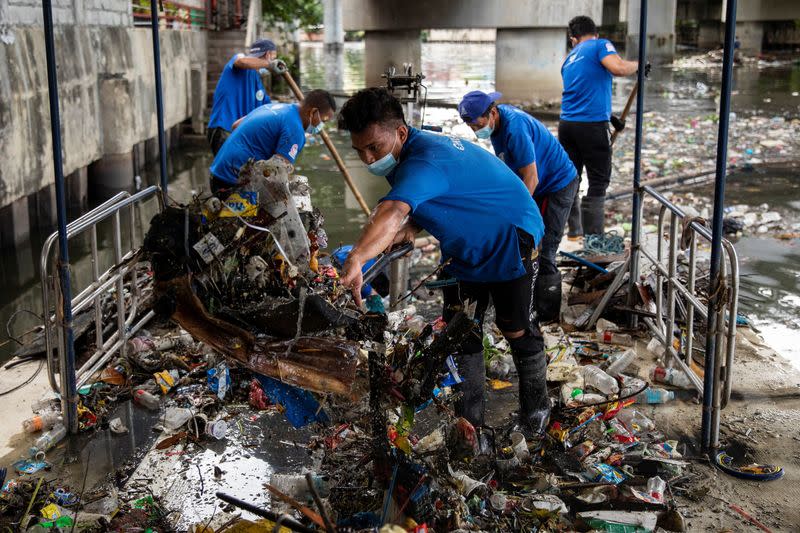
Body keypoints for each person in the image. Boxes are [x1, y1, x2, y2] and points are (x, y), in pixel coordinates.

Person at [338, 87, 550, 436]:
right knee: (460, 327)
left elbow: (391, 209)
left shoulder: (425, 159)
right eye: (359, 150)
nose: (367, 158)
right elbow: (441, 193)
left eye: (374, 147)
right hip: (463, 242)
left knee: (516, 330)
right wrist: (415, 225)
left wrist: (359, 257)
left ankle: (536, 413)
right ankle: (471, 422)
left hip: (511, 235)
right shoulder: (411, 151)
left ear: (401, 133)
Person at [458, 90, 578, 322]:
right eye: (470, 127)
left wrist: (515, 213)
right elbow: (509, 171)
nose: (475, 131)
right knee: (522, 242)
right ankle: (524, 303)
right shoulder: (495, 127)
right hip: (540, 184)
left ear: (492, 112)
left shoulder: (515, 128)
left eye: (477, 124)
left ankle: (547, 316)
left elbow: (531, 178)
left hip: (557, 185)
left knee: (544, 249)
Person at [559, 16, 639, 239]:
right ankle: (594, 240)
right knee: (598, 181)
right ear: (594, 33)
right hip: (590, 127)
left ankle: (574, 233)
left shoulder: (568, 60)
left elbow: (582, 94)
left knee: (571, 178)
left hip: (567, 125)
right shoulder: (599, 44)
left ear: (573, 39)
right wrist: (639, 65)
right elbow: (619, 68)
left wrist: (610, 117)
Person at [209, 89, 336, 196]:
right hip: (231, 182)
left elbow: (235, 125)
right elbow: (277, 172)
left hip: (217, 173)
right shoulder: (295, 130)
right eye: (323, 120)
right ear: (313, 112)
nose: (322, 125)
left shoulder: (274, 107)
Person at [207, 39, 278, 155]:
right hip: (224, 129)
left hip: (239, 134)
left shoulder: (257, 83)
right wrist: (270, 64)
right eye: (274, 58)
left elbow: (268, 110)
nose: (273, 61)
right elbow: (242, 61)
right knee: (226, 172)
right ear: (268, 55)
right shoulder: (239, 60)